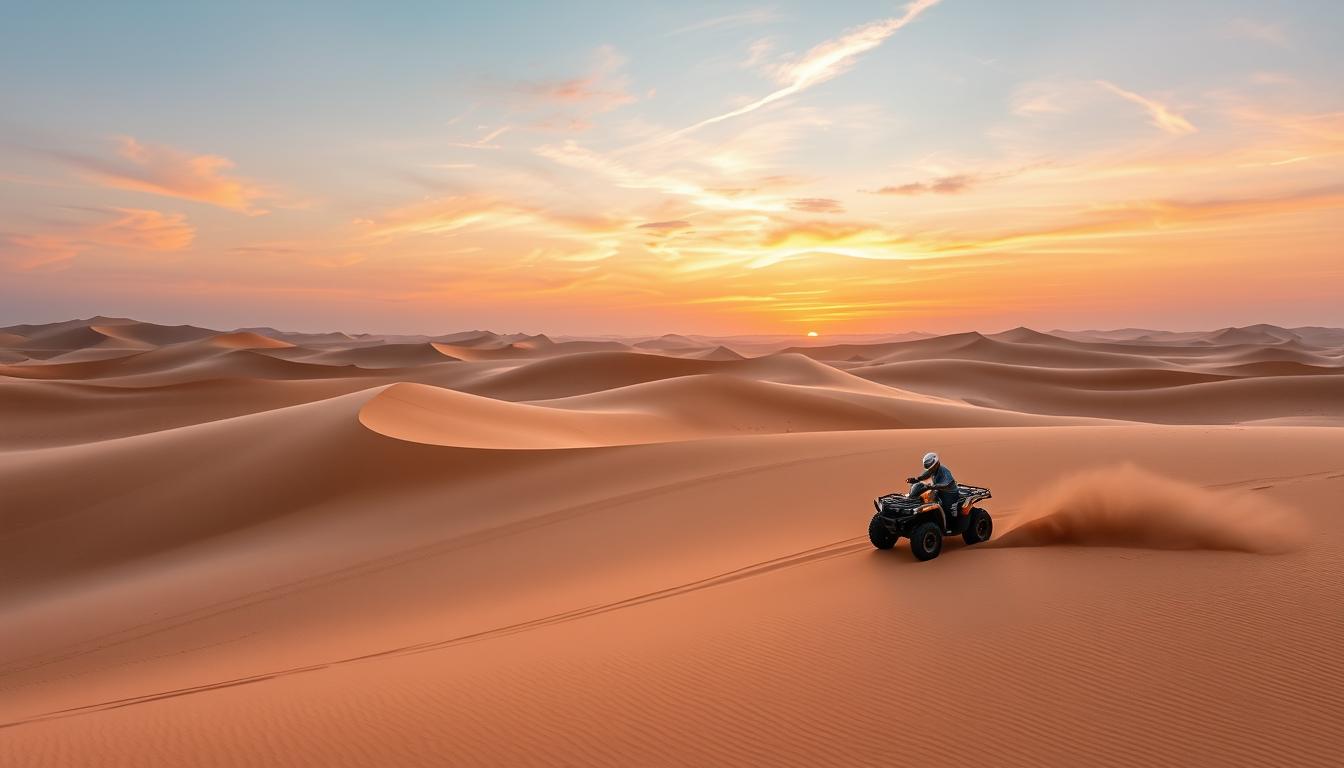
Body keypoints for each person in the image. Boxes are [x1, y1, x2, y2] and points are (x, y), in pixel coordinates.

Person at [906, 452, 959, 521]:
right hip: (938, 489)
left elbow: (946, 484)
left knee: (948, 509)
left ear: (937, 463)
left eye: (931, 467)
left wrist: (933, 486)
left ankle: (953, 517)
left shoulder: (944, 471)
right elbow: (926, 475)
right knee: (929, 500)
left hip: (949, 493)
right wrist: (916, 479)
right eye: (929, 468)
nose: (930, 469)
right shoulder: (933, 469)